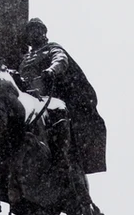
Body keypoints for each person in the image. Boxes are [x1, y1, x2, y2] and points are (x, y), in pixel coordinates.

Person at [17, 18, 107, 176]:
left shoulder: (51, 48)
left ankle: (62, 158)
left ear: (43, 32)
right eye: (31, 31)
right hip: (27, 99)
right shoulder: (24, 59)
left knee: (59, 109)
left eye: (37, 30)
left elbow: (61, 59)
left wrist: (52, 70)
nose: (34, 33)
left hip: (46, 96)